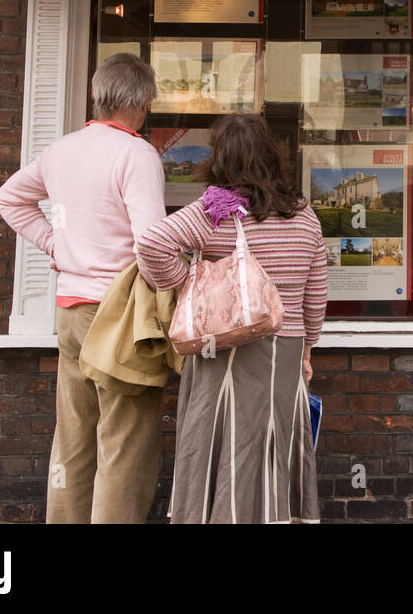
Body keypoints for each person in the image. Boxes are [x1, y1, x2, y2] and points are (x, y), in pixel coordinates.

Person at [0, 53, 167, 523]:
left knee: (72, 437)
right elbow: (152, 243)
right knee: (125, 442)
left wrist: (56, 243)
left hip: (70, 311)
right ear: (143, 100)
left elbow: (9, 197)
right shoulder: (137, 154)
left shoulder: (61, 150)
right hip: (120, 314)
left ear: (100, 94)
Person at [135, 113, 327, 524]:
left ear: (220, 158)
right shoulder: (304, 214)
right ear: (271, 157)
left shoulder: (217, 210)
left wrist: (181, 283)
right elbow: (316, 296)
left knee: (219, 446)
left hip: (221, 346)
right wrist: (308, 347)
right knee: (269, 447)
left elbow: (151, 244)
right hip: (285, 352)